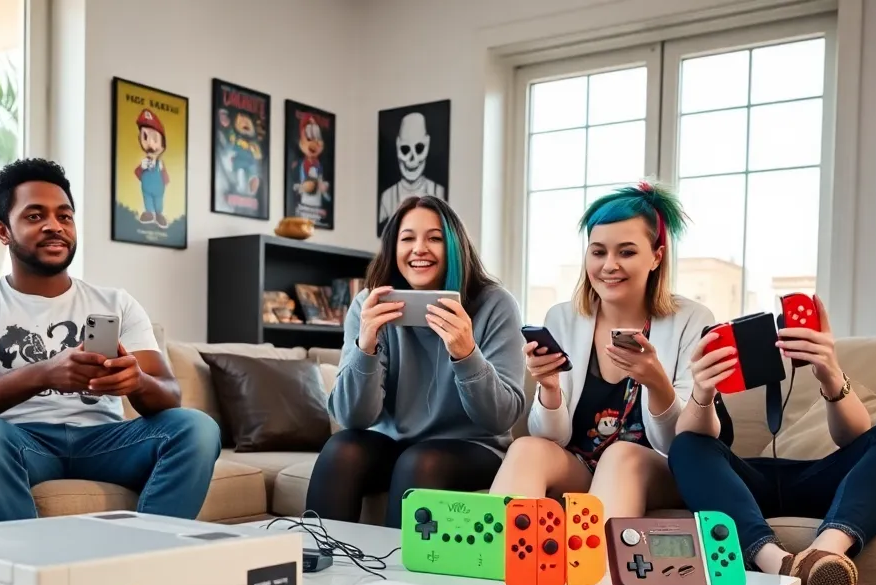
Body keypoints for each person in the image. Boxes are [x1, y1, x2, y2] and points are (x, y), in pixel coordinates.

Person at [0, 158, 221, 524]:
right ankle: (23, 571)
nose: (54, 226)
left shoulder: (117, 303)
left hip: (108, 442)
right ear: (3, 231)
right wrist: (44, 374)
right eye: (35, 216)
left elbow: (168, 396)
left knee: (198, 428)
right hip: (19, 442)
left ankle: (145, 559)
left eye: (64, 216)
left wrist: (136, 382)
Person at [666, 295, 876, 585]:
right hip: (744, 487)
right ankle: (780, 564)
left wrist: (830, 372)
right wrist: (703, 393)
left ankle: (822, 555)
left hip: (827, 485)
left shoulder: (828, 371)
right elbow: (692, 441)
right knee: (687, 446)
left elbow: (855, 436)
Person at [489, 183, 718, 520]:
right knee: (526, 448)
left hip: (655, 468)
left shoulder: (691, 319)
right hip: (582, 466)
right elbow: (551, 436)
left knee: (620, 456)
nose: (609, 265)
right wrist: (550, 389)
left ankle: (595, 574)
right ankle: (497, 567)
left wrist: (657, 383)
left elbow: (677, 445)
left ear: (656, 257)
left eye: (626, 252)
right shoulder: (563, 318)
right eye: (598, 252)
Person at [306, 195, 528, 527]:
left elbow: (499, 419)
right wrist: (366, 344)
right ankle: (316, 566)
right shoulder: (369, 304)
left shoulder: (495, 304)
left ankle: (399, 577)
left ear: (455, 247)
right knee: (342, 449)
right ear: (393, 249)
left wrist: (466, 353)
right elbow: (353, 417)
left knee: (421, 460)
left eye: (434, 238)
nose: (419, 249)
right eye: (407, 238)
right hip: (391, 444)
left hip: (472, 448)